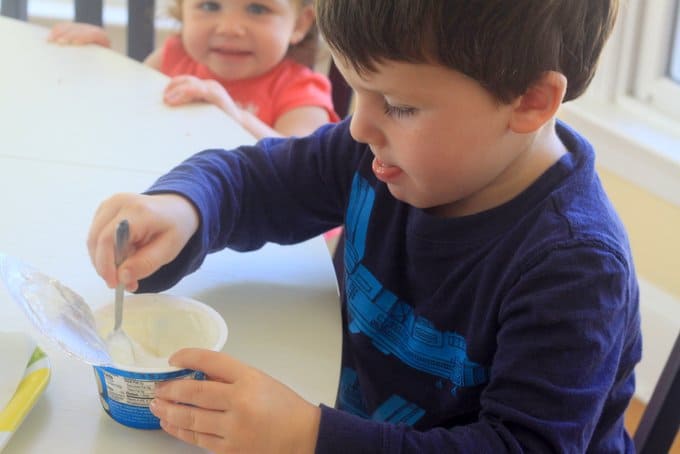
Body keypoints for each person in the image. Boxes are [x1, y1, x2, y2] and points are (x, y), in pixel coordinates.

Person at [86, 0, 642, 452]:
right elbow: (256, 179)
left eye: (399, 105)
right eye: (354, 88)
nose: (359, 126)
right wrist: (184, 208)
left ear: (530, 102)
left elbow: (521, 446)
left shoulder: (576, 268)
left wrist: (308, 435)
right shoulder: (381, 155)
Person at [49, 0, 339, 138]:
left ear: (300, 24)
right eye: (210, 6)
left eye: (257, 9)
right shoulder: (172, 58)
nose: (229, 28)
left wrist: (233, 117)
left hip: (253, 229)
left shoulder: (301, 91)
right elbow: (121, 114)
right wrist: (93, 60)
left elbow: (303, 165)